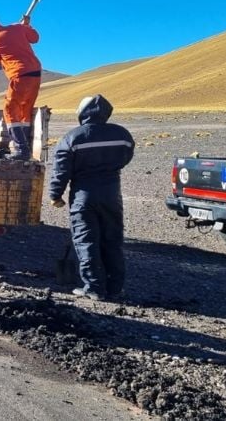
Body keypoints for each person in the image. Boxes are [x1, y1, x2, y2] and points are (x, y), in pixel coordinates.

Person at [49, 94, 135, 301]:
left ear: (82, 113)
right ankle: (115, 288)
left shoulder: (73, 137)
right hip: (112, 195)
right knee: (112, 241)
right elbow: (126, 157)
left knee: (86, 240)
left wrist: (55, 194)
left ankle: (94, 288)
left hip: (83, 197)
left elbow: (61, 170)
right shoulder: (122, 134)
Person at [0, 14, 41, 160]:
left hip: (20, 74)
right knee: (24, 109)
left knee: (10, 109)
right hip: (35, 72)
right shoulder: (17, 27)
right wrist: (25, 26)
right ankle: (25, 146)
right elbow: (35, 38)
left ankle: (21, 149)